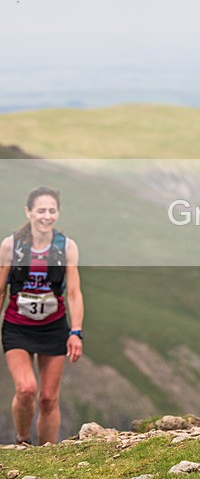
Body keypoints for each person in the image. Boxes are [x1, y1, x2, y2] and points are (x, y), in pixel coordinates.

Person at [0, 187, 84, 445]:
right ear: (29, 212)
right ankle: (24, 441)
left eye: (52, 210)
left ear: (58, 213)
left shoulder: (67, 247)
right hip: (17, 327)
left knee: (48, 398)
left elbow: (73, 293)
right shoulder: (11, 245)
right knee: (26, 389)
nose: (46, 216)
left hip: (53, 328)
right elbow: (0, 289)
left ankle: (48, 454)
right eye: (41, 211)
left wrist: (75, 332)